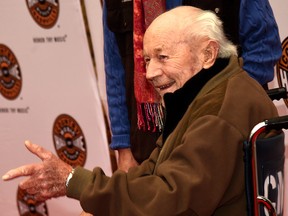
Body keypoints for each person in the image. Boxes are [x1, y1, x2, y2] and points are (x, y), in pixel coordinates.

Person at [3, 6, 279, 215]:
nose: (149, 73)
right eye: (146, 59)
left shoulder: (217, 114)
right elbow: (153, 171)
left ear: (207, 54)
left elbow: (169, 199)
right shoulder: (211, 90)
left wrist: (75, 181)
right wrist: (91, 192)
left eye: (162, 57)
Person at [104, 0, 282, 172]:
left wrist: (219, 112)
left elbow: (263, 51)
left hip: (225, 142)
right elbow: (116, 70)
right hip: (150, 141)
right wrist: (123, 146)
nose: (150, 72)